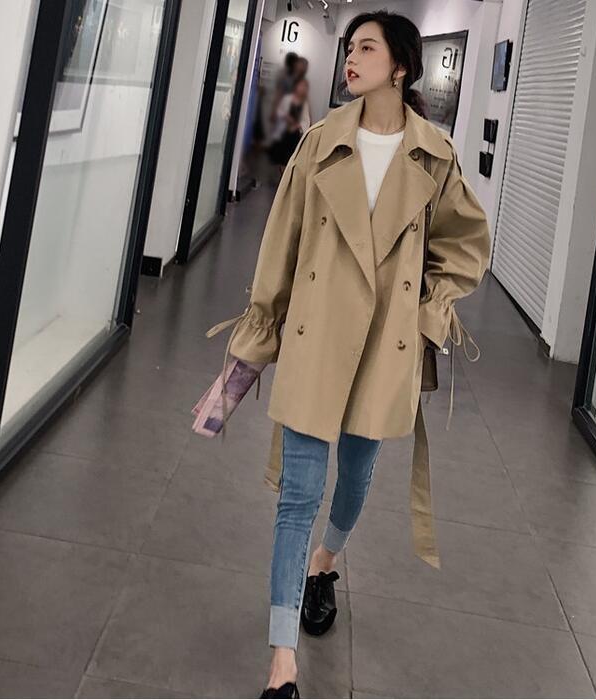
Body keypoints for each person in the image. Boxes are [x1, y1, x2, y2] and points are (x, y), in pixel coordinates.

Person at [206, 10, 490, 699]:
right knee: (297, 495)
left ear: (400, 66)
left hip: (385, 346)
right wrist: (256, 339)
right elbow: (280, 245)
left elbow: (466, 246)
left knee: (357, 478)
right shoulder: (319, 144)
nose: (351, 60)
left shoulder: (435, 155)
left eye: (367, 48)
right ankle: (282, 663)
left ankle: (324, 564)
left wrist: (427, 314)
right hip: (315, 336)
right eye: (350, 47)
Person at [267, 77, 312, 175]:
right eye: (300, 85)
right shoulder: (287, 99)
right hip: (284, 133)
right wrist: (286, 117)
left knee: (291, 159)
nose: (302, 88)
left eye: (304, 86)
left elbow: (306, 120)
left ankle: (285, 177)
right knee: (281, 159)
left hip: (295, 134)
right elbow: (279, 112)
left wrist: (298, 125)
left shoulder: (304, 103)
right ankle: (282, 177)